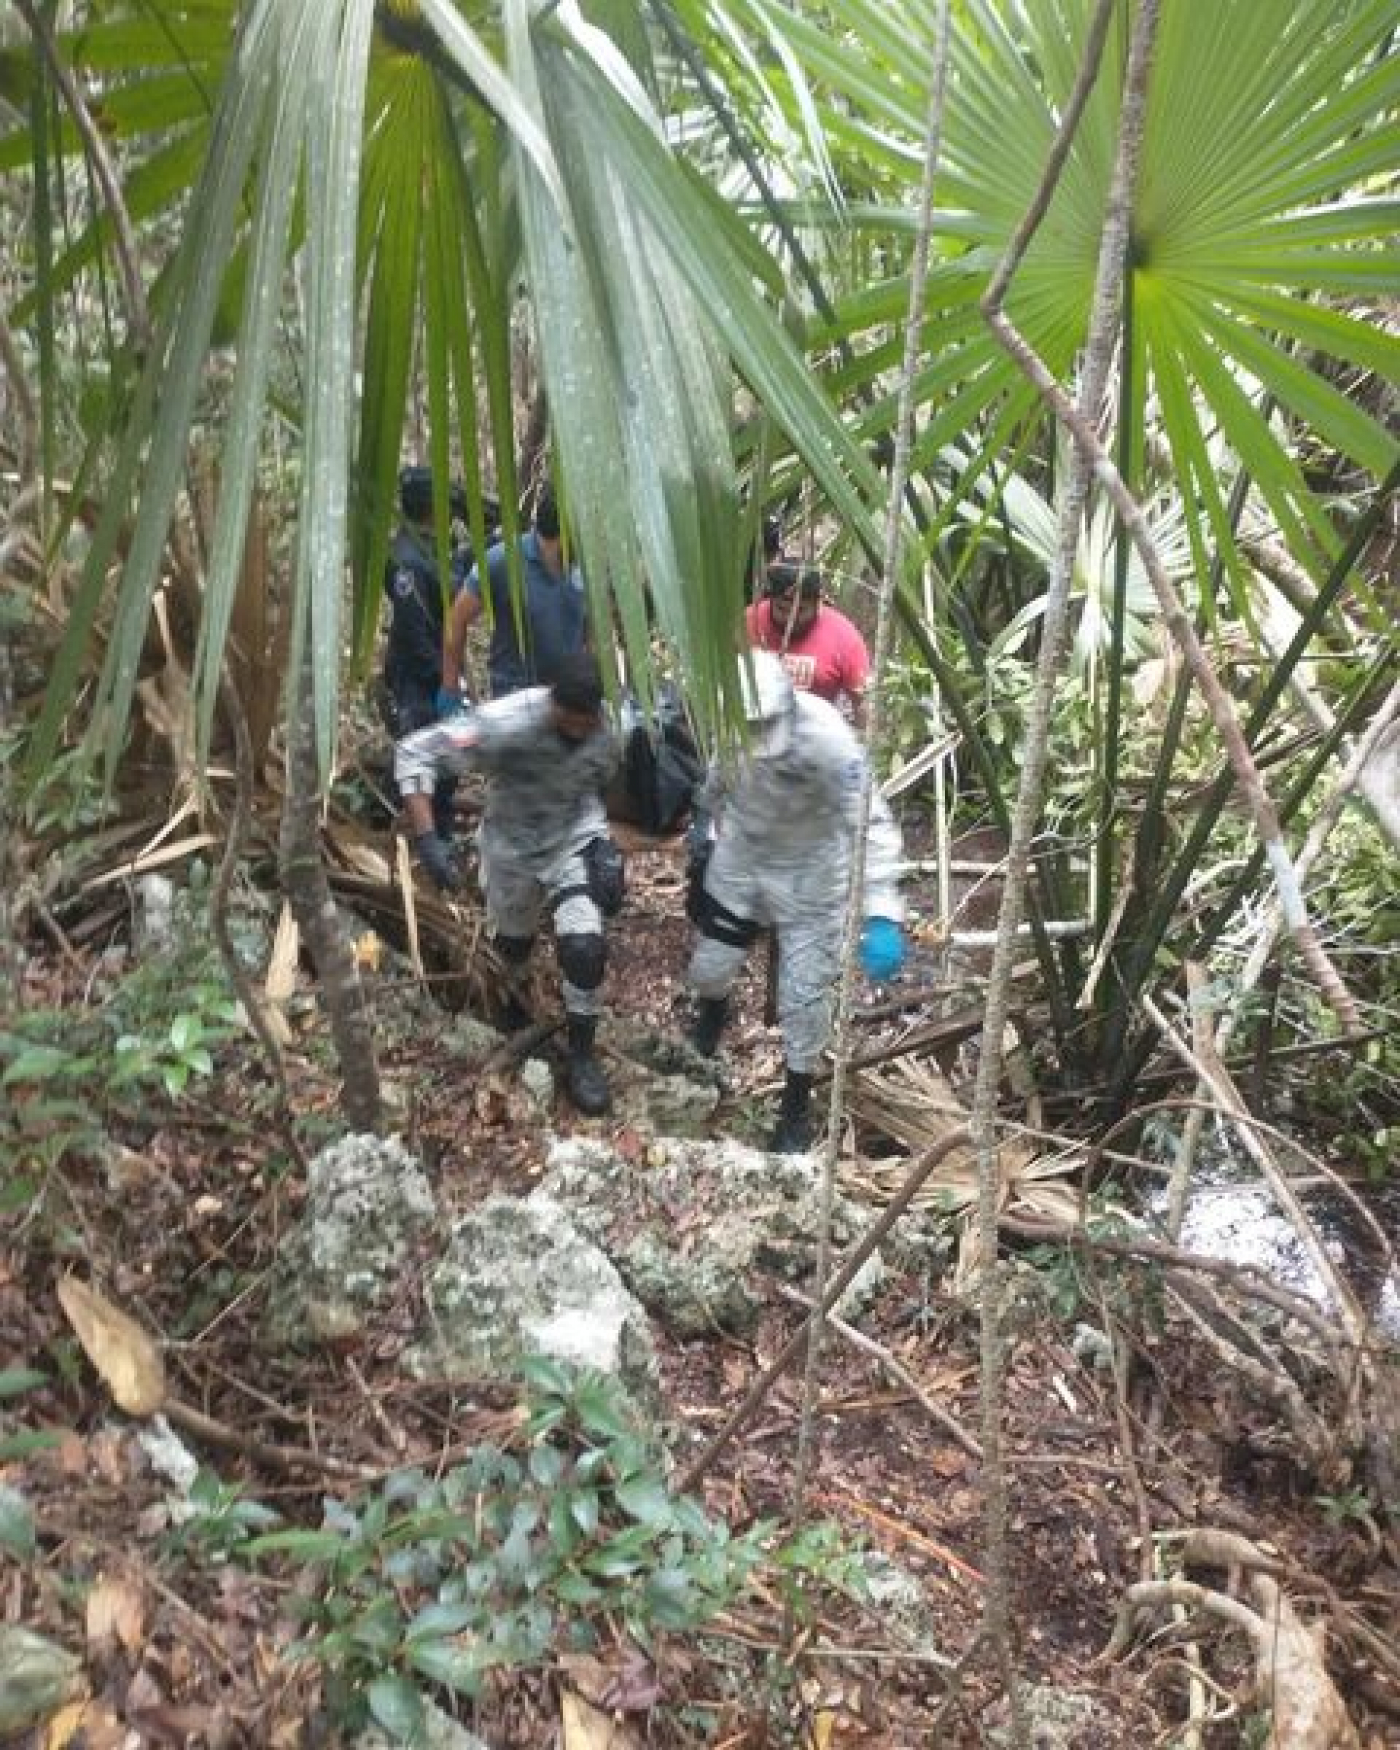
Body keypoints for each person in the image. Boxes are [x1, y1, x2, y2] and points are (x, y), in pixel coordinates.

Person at [683, 651, 906, 1153]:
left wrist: (880, 910)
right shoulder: (733, 729)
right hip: (743, 861)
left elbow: (868, 819)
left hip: (811, 874)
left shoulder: (827, 739)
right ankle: (713, 1011)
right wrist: (702, 832)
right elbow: (715, 787)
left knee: (805, 1001)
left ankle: (796, 1104)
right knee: (710, 967)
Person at [394, 652, 623, 1117]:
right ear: (554, 704)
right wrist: (428, 841)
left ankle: (582, 1053)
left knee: (584, 948)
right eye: (571, 721)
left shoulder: (610, 726)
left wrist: (606, 845)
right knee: (511, 949)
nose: (581, 730)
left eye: (589, 721)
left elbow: (608, 784)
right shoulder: (506, 722)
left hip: (570, 839)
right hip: (512, 848)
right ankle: (514, 1022)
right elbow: (414, 752)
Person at [379, 465, 478, 838]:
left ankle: (441, 835)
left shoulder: (429, 548)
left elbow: (451, 578)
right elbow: (414, 626)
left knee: (444, 767)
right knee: (421, 764)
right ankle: (423, 846)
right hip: (418, 679)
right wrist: (445, 679)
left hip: (438, 672)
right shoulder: (408, 558)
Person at [442, 480, 588, 700]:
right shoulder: (502, 561)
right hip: (514, 698)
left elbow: (589, 630)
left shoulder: (585, 567)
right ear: (565, 533)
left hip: (568, 699)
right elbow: (457, 618)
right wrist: (450, 687)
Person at [745, 560, 870, 730]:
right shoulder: (748, 622)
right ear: (771, 600)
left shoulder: (844, 636)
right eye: (782, 609)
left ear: (818, 603)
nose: (791, 619)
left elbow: (863, 702)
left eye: (800, 610)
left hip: (815, 736)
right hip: (756, 731)